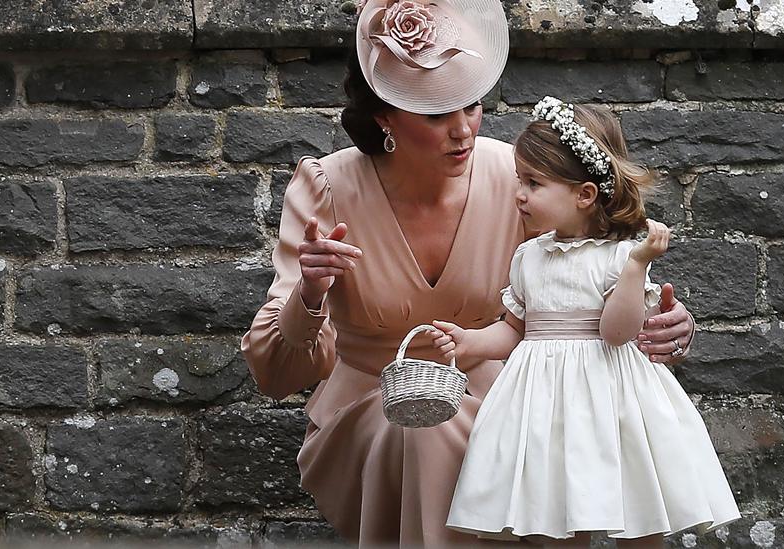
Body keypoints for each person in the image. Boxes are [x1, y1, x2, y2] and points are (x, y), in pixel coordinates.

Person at [240, 0, 697, 545]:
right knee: (421, 430)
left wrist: (666, 323)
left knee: (532, 437)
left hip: (514, 400)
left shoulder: (521, 180)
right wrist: (311, 293)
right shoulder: (327, 188)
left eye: (473, 107)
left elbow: (593, 275)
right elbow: (276, 373)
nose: (463, 131)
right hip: (377, 409)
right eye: (437, 115)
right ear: (385, 117)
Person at [432, 97, 740, 547]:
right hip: (545, 405)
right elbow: (516, 329)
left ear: (584, 194)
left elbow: (616, 333)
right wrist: (472, 342)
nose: (519, 194)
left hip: (614, 400)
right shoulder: (528, 257)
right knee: (555, 513)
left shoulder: (618, 258)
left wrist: (637, 267)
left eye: (534, 183)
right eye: (520, 180)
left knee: (636, 508)